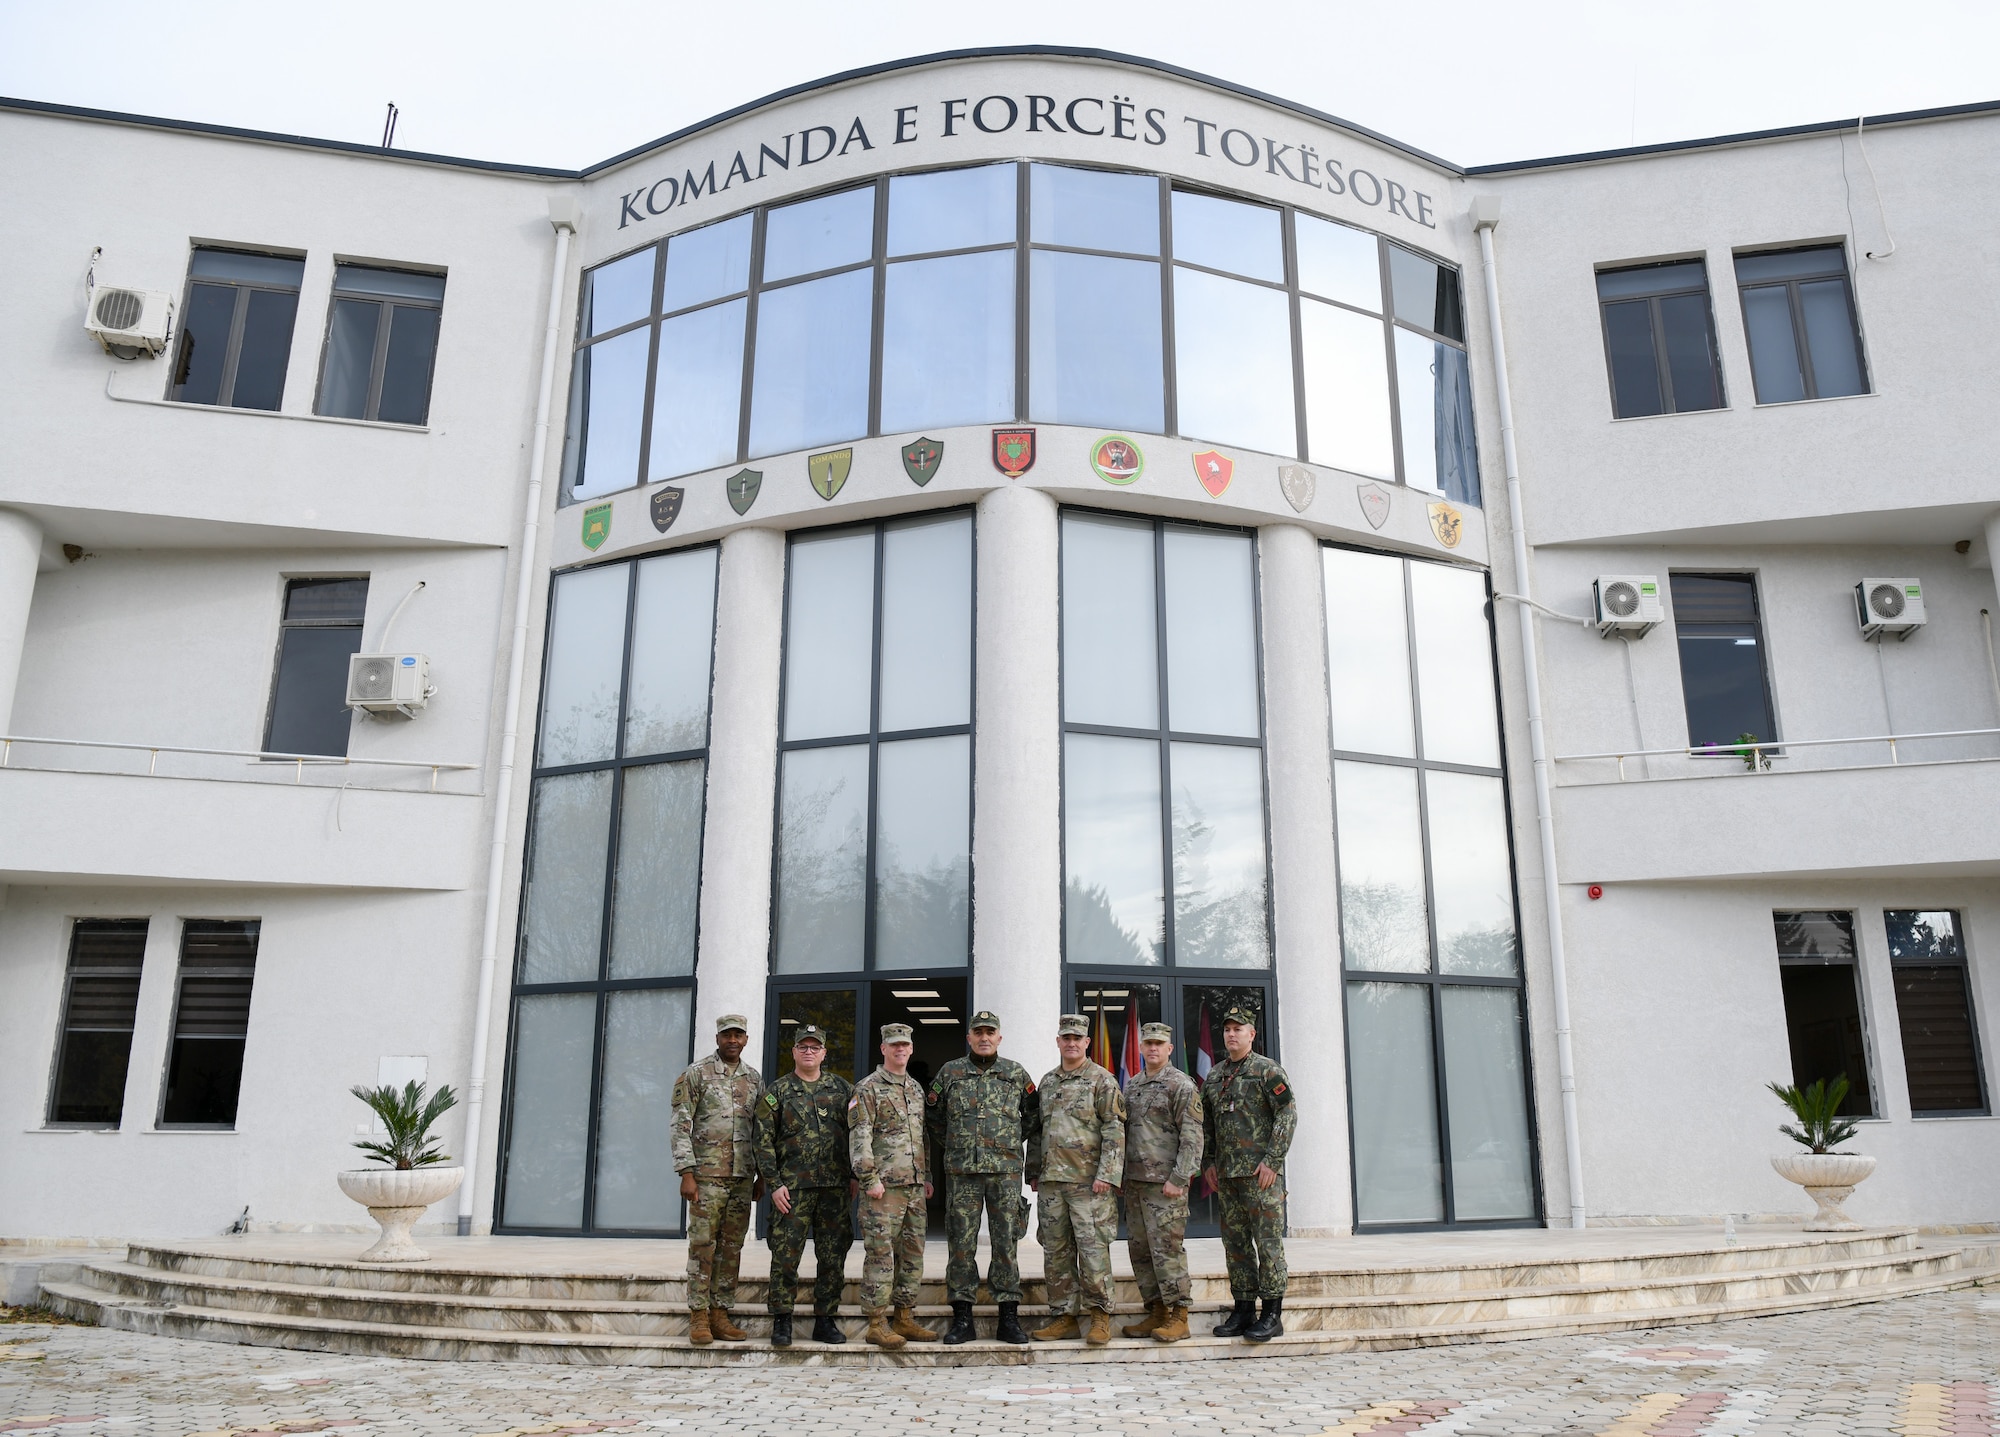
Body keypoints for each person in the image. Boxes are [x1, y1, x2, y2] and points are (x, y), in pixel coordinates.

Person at [926, 1010, 1040, 1345]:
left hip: (1005, 1173)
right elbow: (933, 1117)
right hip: (962, 1173)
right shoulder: (951, 1072)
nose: (985, 1038)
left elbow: (1033, 1116)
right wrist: (960, 1145)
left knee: (1006, 1244)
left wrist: (1005, 1142)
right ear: (970, 1038)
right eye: (979, 1033)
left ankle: (1008, 1318)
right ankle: (962, 1319)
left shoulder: (1015, 1073)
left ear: (999, 1037)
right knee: (960, 1246)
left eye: (990, 1032)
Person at [753, 1024, 855, 1348]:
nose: (809, 1052)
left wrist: (854, 1176)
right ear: (794, 1052)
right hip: (792, 1191)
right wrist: (774, 1183)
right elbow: (762, 1140)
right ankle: (782, 1320)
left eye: (815, 1047)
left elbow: (859, 1135)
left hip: (834, 1189)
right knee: (785, 1255)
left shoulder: (843, 1090)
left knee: (833, 1256)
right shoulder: (777, 1092)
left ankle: (825, 1320)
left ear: (824, 1053)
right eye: (803, 1047)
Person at [1200, 1005, 1296, 1342]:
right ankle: (1243, 1309)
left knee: (1268, 1244)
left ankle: (1271, 1313)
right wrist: (1208, 1162)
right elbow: (1207, 1124)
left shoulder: (1267, 1071)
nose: (1231, 1034)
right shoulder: (1214, 1076)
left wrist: (1272, 1160)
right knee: (1236, 1245)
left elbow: (1287, 1116)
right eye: (1227, 1029)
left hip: (1261, 1177)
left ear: (1251, 1034)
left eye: (1238, 1029)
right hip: (1227, 1176)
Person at [1030, 1013, 1125, 1346]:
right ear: (1058, 1042)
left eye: (1077, 1039)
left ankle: (1100, 1317)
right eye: (1065, 1038)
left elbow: (1114, 1129)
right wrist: (1033, 1170)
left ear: (1087, 1043)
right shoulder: (1048, 1082)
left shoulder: (1102, 1080)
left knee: (1092, 1249)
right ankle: (1063, 1316)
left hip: (1088, 1184)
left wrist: (1108, 1175)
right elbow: (1038, 1129)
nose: (1071, 1043)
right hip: (1052, 1181)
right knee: (1055, 1251)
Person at [670, 1013, 764, 1346]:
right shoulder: (695, 1075)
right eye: (727, 1035)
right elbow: (681, 1125)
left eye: (739, 1035)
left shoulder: (754, 1079)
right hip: (706, 1178)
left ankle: (720, 1314)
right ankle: (698, 1315)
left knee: (731, 1248)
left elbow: (761, 1130)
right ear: (718, 1038)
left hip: (741, 1177)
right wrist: (686, 1173)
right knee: (702, 1247)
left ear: (746, 1039)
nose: (733, 1040)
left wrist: (762, 1175)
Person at [848, 1021, 937, 1349]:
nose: (900, 1049)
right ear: (883, 1049)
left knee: (912, 1254)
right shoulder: (867, 1088)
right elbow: (860, 1138)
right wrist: (868, 1179)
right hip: (883, 1189)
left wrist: (925, 1177)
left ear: (911, 1049)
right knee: (881, 1255)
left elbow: (921, 1136)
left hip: (913, 1187)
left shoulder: (914, 1088)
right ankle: (876, 1321)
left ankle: (905, 1316)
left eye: (905, 1045)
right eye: (894, 1045)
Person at [1119, 1021, 1204, 1343]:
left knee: (1167, 1251)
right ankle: (1155, 1311)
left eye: (1159, 1044)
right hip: (1136, 1183)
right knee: (1141, 1253)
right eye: (1148, 1043)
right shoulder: (1133, 1085)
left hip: (1165, 1186)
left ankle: (1179, 1316)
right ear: (1141, 1048)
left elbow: (1192, 1136)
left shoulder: (1180, 1085)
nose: (1153, 1048)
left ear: (1169, 1049)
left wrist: (1179, 1178)